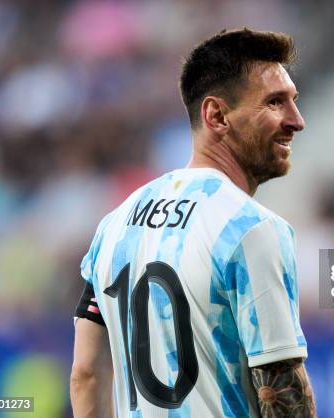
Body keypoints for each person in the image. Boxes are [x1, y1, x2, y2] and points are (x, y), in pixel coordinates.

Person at [70, 28, 316, 418]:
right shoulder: (251, 229)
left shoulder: (114, 226)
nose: (296, 120)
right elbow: (281, 391)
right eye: (274, 103)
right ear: (216, 115)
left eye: (293, 101)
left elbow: (86, 373)